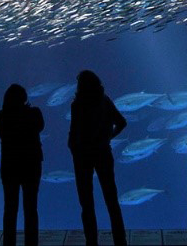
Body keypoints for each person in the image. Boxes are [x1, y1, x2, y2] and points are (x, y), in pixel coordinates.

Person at [69, 71, 128, 246]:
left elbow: (74, 132)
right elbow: (122, 122)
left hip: (82, 157)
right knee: (112, 200)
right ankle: (120, 240)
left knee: (86, 203)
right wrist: (108, 137)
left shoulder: (77, 105)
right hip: (103, 153)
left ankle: (91, 241)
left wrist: (73, 147)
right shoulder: (105, 100)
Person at [0, 85, 45, 246]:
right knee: (31, 208)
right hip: (31, 165)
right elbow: (40, 126)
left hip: (9, 166)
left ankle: (8, 243)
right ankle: (31, 242)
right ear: (24, 97)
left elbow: (1, 134)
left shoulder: (2, 115)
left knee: (10, 208)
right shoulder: (34, 113)